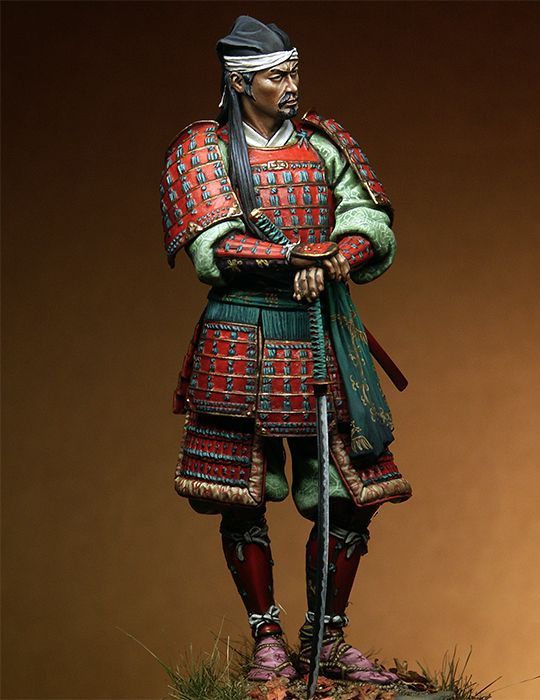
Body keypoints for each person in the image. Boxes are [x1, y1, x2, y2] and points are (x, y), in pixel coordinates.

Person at [160, 15, 412, 684]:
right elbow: (213, 248)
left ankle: (326, 636)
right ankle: (267, 636)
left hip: (321, 331)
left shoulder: (325, 142)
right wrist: (292, 257)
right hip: (240, 335)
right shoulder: (203, 149)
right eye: (277, 76)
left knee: (351, 489)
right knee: (241, 492)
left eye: (294, 72)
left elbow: (367, 217)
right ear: (242, 82)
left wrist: (334, 257)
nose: (292, 85)